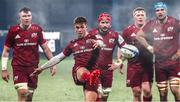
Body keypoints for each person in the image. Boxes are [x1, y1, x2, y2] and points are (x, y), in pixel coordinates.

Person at [30, 16, 105, 101]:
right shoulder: (73, 44)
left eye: (82, 27)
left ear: (86, 27)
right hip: (78, 71)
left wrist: (99, 43)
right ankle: (92, 80)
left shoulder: (94, 36)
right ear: (75, 29)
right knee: (83, 70)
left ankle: (95, 86)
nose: (80, 30)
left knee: (91, 100)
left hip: (94, 71)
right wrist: (42, 68)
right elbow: (58, 58)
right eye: (77, 27)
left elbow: (102, 42)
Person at [1, 7, 57, 102]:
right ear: (20, 18)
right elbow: (6, 50)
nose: (27, 18)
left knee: (29, 98)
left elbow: (46, 48)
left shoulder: (37, 30)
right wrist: (4, 69)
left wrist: (52, 64)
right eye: (24, 16)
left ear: (31, 17)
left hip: (33, 69)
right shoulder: (13, 31)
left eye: (28, 16)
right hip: (19, 67)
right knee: (23, 93)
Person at [136, 2, 180, 101]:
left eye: (162, 10)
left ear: (166, 11)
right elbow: (139, 35)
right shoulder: (151, 24)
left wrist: (179, 51)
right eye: (157, 10)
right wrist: (149, 47)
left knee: (175, 89)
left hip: (174, 62)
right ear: (155, 12)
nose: (160, 12)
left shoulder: (175, 22)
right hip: (160, 63)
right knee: (163, 92)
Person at [117, 7, 154, 102]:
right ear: (134, 17)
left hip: (148, 65)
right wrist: (120, 61)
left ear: (146, 17)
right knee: (136, 92)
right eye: (138, 15)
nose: (140, 17)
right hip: (133, 66)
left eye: (142, 15)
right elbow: (121, 47)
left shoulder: (151, 29)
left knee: (147, 90)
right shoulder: (127, 31)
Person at [89, 12, 125, 101]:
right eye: (102, 22)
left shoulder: (116, 35)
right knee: (98, 93)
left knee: (105, 96)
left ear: (110, 24)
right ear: (99, 23)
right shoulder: (91, 34)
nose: (105, 25)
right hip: (94, 69)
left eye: (107, 22)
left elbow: (127, 50)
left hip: (108, 70)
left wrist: (118, 63)